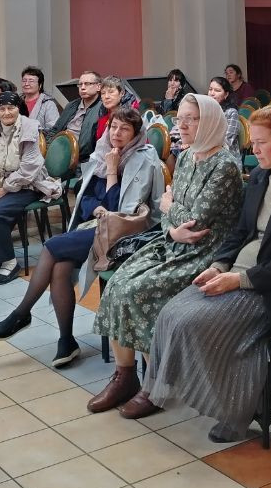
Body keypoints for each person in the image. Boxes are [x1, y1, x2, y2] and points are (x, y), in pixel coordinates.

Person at [134, 107, 271, 442]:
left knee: (195, 324)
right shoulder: (259, 178)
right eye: (252, 142)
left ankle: (241, 406)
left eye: (261, 142)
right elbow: (239, 232)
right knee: (170, 314)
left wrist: (240, 280)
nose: (254, 149)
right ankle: (245, 392)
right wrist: (219, 265)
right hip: (239, 272)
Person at [88, 94, 244, 414]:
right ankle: (125, 375)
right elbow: (170, 215)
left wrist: (171, 208)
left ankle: (156, 384)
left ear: (209, 122)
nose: (181, 126)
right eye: (179, 118)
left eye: (190, 119)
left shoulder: (225, 166)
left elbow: (196, 221)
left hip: (205, 253)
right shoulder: (186, 157)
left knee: (141, 291)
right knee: (117, 284)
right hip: (173, 242)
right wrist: (172, 227)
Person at [0, 107, 163, 367]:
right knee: (60, 267)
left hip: (125, 234)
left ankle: (22, 313)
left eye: (125, 129)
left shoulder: (143, 160)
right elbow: (86, 196)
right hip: (95, 225)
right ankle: (66, 340)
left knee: (51, 247)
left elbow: (121, 212)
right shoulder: (103, 152)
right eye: (113, 127)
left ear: (136, 134)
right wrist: (96, 207)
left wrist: (112, 172)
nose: (116, 133)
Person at [0, 92, 60, 286]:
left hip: (25, 185)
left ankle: (9, 263)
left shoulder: (30, 128)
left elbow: (29, 168)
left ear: (19, 109)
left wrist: (2, 190)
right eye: (2, 108)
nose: (7, 112)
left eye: (11, 108)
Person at [47, 70, 105, 164]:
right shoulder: (71, 105)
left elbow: (94, 144)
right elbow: (55, 130)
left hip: (82, 159)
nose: (83, 87)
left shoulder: (102, 108)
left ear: (98, 87)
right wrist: (49, 149)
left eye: (87, 84)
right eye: (80, 84)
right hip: (59, 152)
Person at [206, 77, 242, 161]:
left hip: (226, 158)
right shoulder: (205, 112)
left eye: (217, 90)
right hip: (206, 153)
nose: (212, 93)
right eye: (210, 89)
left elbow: (226, 141)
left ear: (226, 94)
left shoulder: (231, 113)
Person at [95, 75, 140, 142]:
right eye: (103, 93)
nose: (106, 96)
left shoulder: (132, 116)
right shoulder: (102, 114)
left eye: (111, 92)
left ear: (122, 93)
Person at [21, 66, 61, 130]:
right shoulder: (17, 102)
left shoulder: (48, 104)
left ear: (40, 85)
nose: (26, 84)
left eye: (31, 81)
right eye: (24, 81)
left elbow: (53, 129)